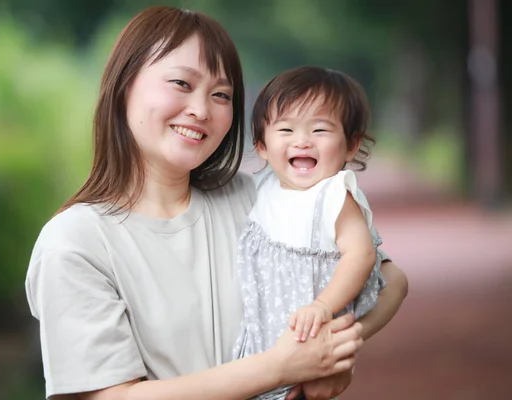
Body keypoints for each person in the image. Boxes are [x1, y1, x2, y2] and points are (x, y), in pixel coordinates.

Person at [24, 6, 408, 400]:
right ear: (124, 86)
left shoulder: (261, 200)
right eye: (180, 83)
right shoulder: (75, 243)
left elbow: (388, 280)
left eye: (221, 94)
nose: (201, 110)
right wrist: (281, 366)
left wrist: (331, 351)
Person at [233, 66, 390, 400]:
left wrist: (323, 305)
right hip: (263, 341)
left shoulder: (334, 195)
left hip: (312, 334)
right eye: (286, 129)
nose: (302, 140)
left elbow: (361, 254)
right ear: (262, 145)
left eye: (320, 130)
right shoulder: (262, 190)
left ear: (351, 145)